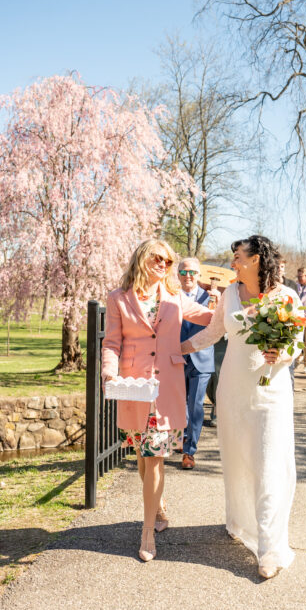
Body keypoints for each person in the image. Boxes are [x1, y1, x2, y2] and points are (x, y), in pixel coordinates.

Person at [182, 235, 302, 580]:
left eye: (237, 257)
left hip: (270, 392)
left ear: (256, 260)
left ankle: (269, 547)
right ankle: (237, 519)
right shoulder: (231, 294)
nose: (232, 263)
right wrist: (175, 350)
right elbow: (213, 333)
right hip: (233, 390)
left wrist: (282, 354)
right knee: (236, 459)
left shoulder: (286, 296)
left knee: (267, 462)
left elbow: (296, 344)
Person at [101, 239, 213, 562]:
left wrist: (225, 306)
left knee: (154, 458)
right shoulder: (118, 299)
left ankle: (147, 531)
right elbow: (111, 342)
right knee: (142, 455)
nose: (164, 265)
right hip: (135, 390)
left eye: (167, 261)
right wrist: (108, 371)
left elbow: (209, 318)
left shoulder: (176, 298)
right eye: (158, 258)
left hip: (166, 391)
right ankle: (159, 507)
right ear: (141, 259)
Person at [176, 257, 214, 470]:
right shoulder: (170, 297)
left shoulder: (212, 297)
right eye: (183, 272)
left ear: (199, 275)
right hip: (177, 356)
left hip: (202, 358)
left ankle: (190, 451)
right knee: (180, 404)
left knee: (196, 405)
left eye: (192, 272)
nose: (187, 276)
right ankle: (181, 438)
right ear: (178, 275)